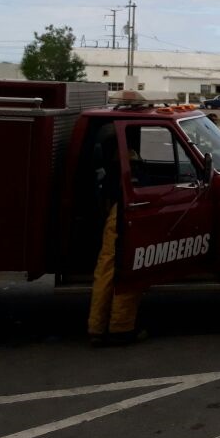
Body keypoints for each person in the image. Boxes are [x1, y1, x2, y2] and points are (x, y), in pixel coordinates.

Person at [88, 129, 145, 346]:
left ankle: (96, 327)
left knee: (105, 273)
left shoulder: (108, 169)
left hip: (113, 217)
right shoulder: (130, 165)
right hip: (125, 218)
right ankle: (121, 327)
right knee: (129, 271)